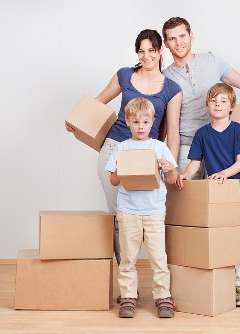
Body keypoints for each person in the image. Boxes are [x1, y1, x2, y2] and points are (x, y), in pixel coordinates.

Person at [65, 29, 182, 265]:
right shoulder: (124, 75)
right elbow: (99, 101)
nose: (146, 56)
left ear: (160, 51)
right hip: (116, 147)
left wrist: (173, 167)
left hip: (148, 155)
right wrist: (76, 119)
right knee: (119, 213)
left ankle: (143, 268)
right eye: (141, 51)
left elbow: (173, 132)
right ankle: (125, 272)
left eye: (151, 50)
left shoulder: (172, 89)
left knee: (144, 214)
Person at [162, 17, 240, 177]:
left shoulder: (212, 60)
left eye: (182, 36)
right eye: (172, 39)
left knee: (220, 199)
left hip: (218, 144)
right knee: (184, 199)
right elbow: (165, 124)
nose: (178, 43)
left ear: (191, 36)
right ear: (165, 43)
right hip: (186, 148)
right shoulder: (165, 77)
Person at [176, 83, 240, 307]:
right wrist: (184, 175)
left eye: (223, 101)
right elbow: (195, 163)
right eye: (213, 101)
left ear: (232, 106)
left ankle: (238, 287)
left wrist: (223, 173)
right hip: (220, 196)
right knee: (220, 240)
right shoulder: (202, 134)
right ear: (207, 104)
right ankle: (221, 283)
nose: (218, 105)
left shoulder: (239, 130)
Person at [106, 97, 178, 318]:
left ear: (152, 122)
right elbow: (114, 181)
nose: (140, 127)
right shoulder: (121, 148)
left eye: (145, 122)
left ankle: (163, 297)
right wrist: (120, 169)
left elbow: (172, 178)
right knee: (128, 258)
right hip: (128, 212)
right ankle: (128, 297)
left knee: (158, 257)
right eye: (136, 122)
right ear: (128, 122)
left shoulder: (159, 147)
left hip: (154, 211)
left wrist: (169, 168)